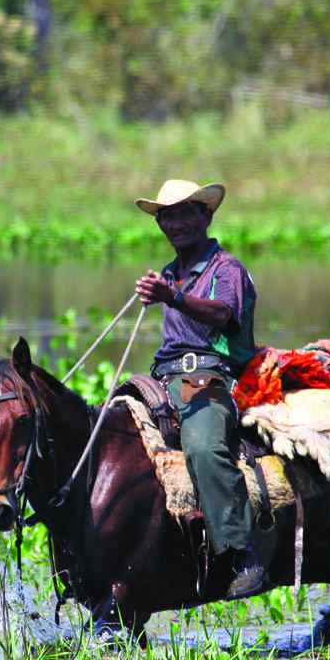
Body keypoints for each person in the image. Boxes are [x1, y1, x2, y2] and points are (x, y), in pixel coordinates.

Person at [132, 179, 271, 598]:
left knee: (205, 447)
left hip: (210, 378)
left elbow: (223, 314)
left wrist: (171, 297)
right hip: (163, 378)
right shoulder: (172, 272)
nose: (175, 224)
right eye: (166, 216)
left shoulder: (225, 269)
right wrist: (168, 291)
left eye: (184, 213)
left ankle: (240, 551)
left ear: (205, 216)